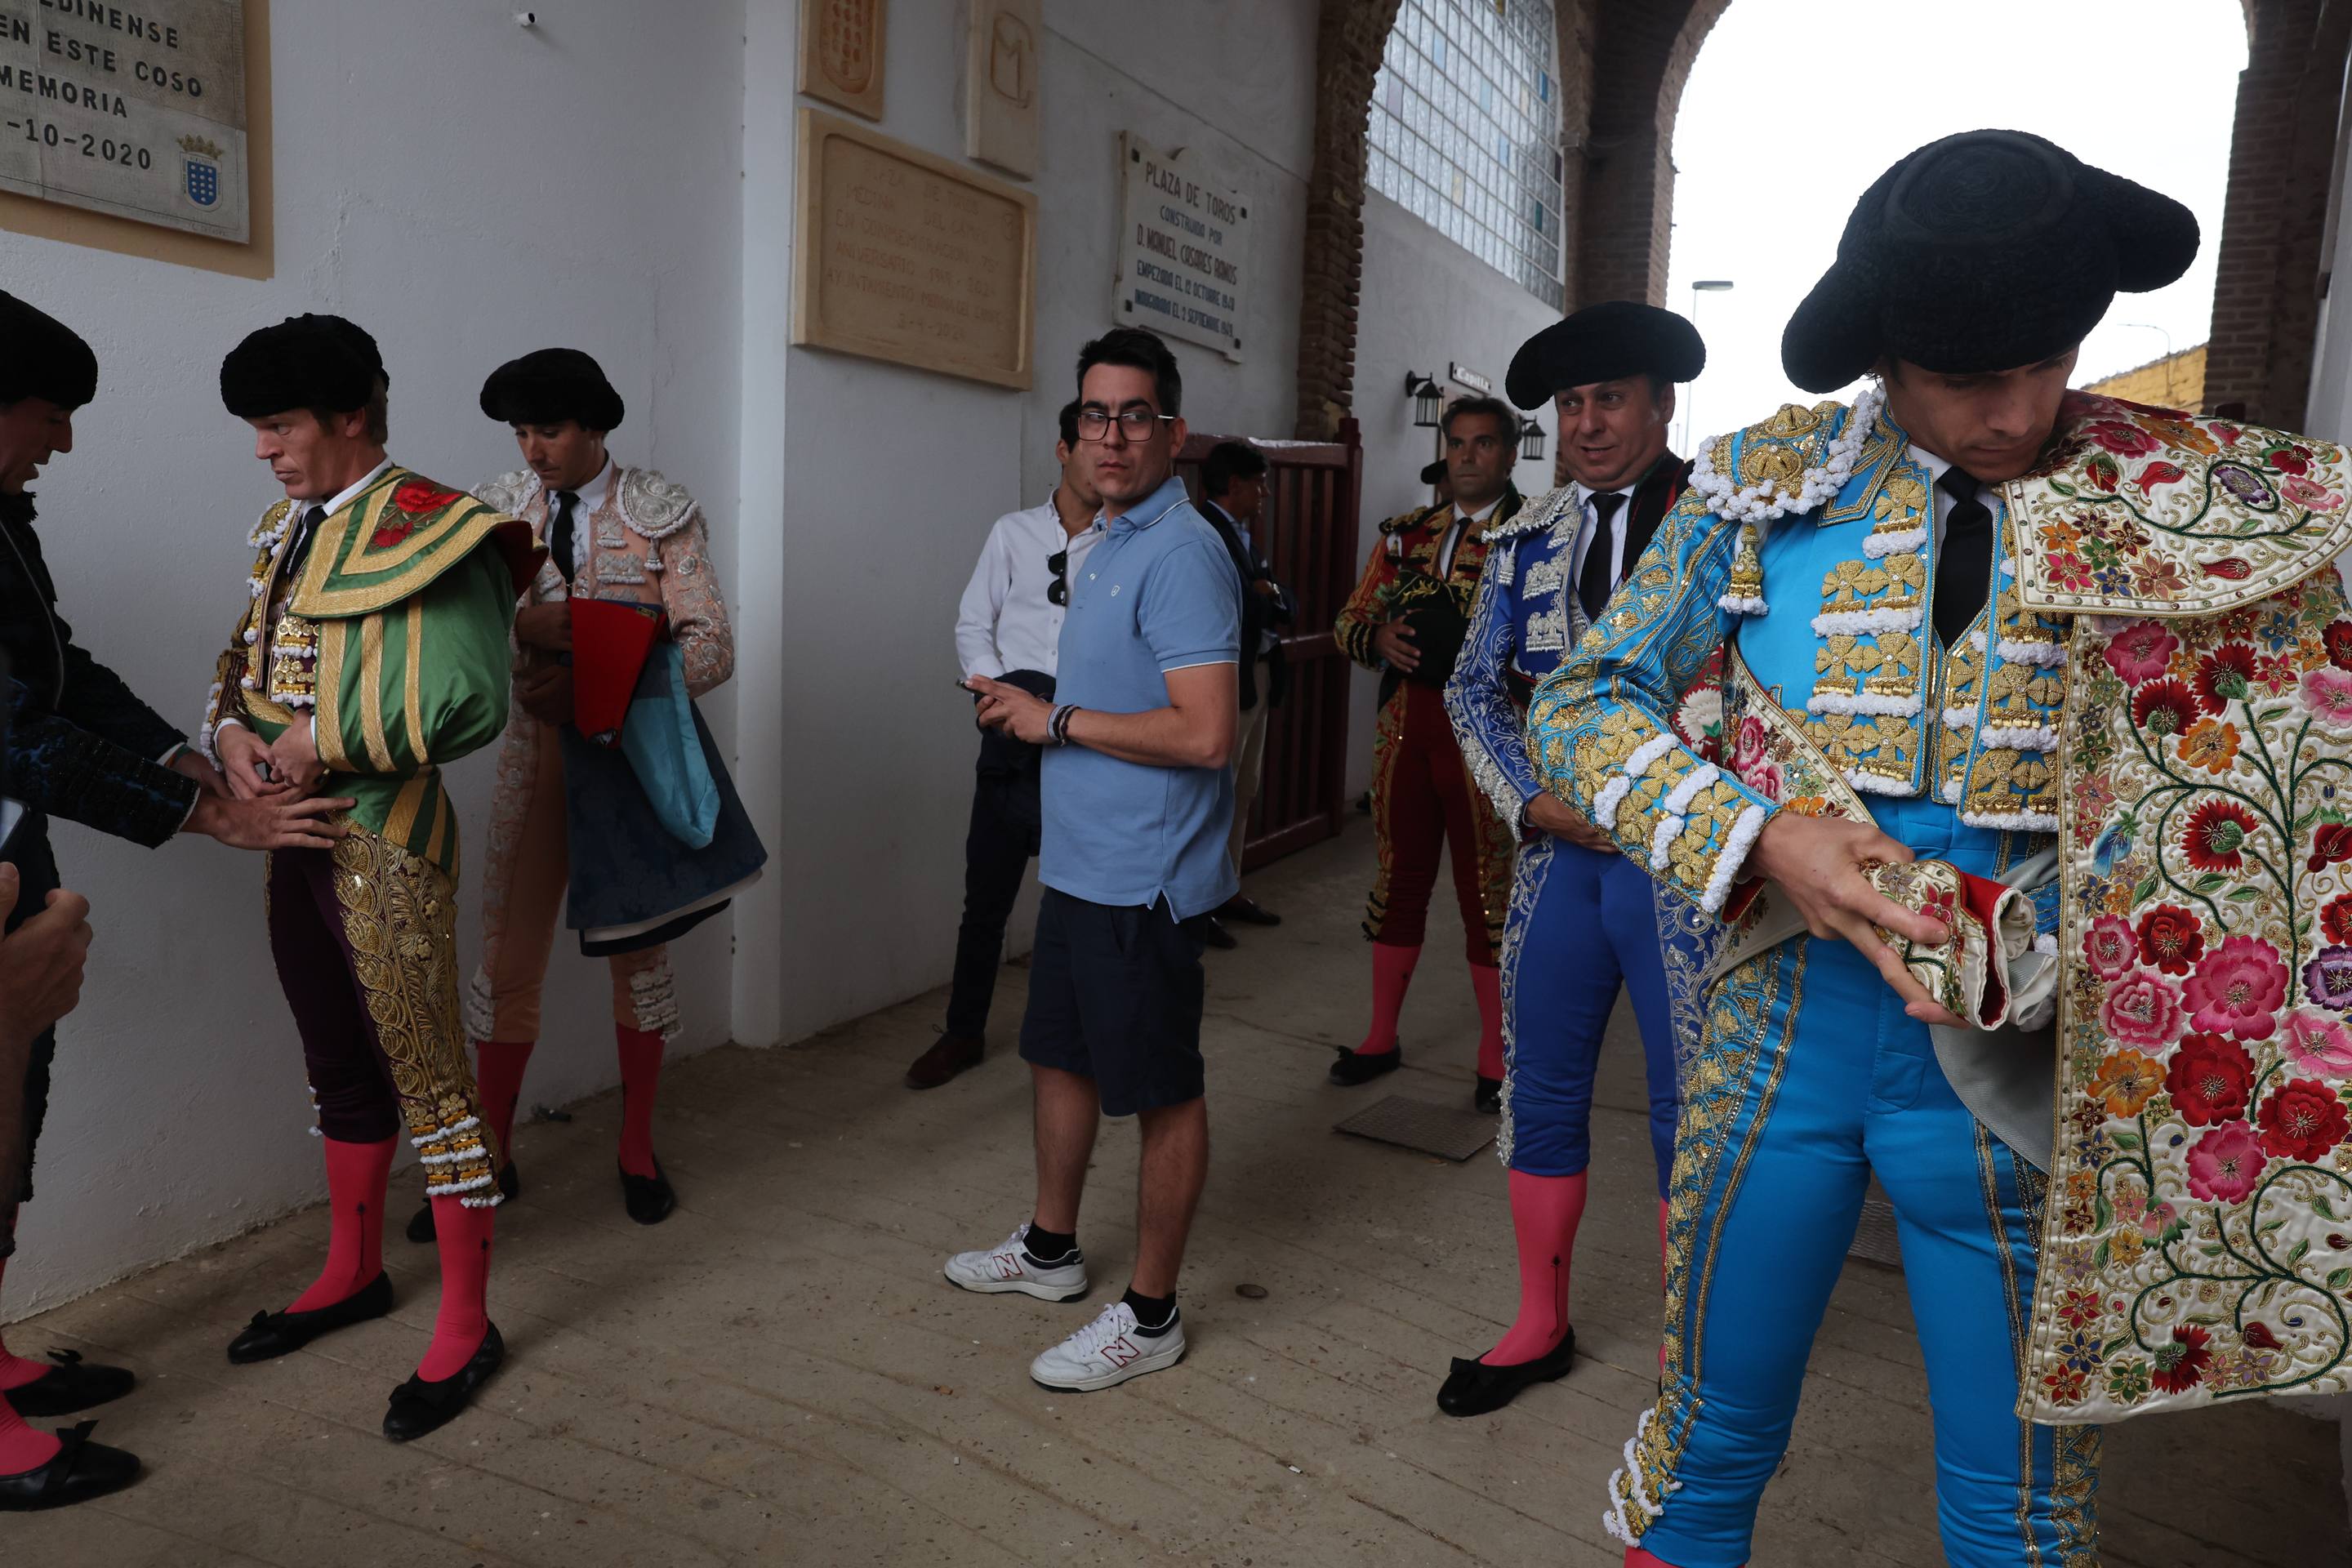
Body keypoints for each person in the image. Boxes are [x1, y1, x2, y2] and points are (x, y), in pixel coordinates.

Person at [1519, 130, 2337, 1565]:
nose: (2016, 412)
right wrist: (1765, 834)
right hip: (1781, 1033)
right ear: (1885, 358)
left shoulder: (2186, 505)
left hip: (2037, 1061)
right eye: (1966, 379)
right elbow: (1581, 705)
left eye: (2048, 363)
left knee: (2023, 1512)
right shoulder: (1763, 485)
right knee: (1704, 1448)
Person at [0, 293, 349, 1512]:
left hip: (11, 853)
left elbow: (59, 673)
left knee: (14, 1096)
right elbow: (13, 731)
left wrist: (188, 759)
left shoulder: (3, 517)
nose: (65, 441)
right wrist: (215, 818)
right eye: (50, 414)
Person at [201, 314, 539, 1442]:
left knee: (430, 1078)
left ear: (352, 415)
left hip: (387, 835)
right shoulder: (284, 529)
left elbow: (470, 697)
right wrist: (230, 736)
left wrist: (318, 739)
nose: (264, 449)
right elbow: (245, 660)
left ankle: (468, 1321)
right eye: (257, 428)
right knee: (334, 1058)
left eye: (280, 425)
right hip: (292, 835)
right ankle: (352, 1272)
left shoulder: (442, 526)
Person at [945, 327, 1239, 1392]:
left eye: (1135, 416)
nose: (1113, 436)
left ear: (1174, 431)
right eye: (1095, 416)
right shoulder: (1107, 539)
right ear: (1075, 430)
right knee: (1059, 1056)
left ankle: (1151, 1316)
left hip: (1142, 875)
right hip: (1080, 859)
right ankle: (1051, 1250)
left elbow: (1207, 734)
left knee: (1161, 1089)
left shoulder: (1183, 551)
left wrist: (1056, 722)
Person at [1437, 302, 1708, 1417]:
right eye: (1572, 404)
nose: (1588, 423)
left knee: (1693, 1106)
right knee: (1540, 1086)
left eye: (1611, 399)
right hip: (1562, 861)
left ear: (1662, 405)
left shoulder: (1728, 522)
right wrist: (1530, 800)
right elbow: (1471, 686)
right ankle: (1539, 1323)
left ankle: (1693, 1350)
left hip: (1687, 870)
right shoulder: (1527, 538)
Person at [408, 347, 737, 1232]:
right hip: (533, 758)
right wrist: (525, 630)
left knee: (642, 959)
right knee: (506, 960)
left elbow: (711, 646)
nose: (532, 451)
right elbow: (451, 629)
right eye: (521, 432)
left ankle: (636, 1148)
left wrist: (593, 666)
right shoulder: (494, 511)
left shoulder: (659, 512)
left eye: (548, 431)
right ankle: (492, 1155)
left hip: (629, 760)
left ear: (595, 427)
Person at [1330, 397, 1521, 1108]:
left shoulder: (1535, 536)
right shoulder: (1405, 536)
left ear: (1509, 454)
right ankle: (1380, 1036)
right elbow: (1349, 621)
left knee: (1488, 892)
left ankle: (1496, 1057)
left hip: (1488, 735)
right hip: (1406, 731)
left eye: (1484, 443)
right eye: (1458, 443)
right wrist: (1377, 639)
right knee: (1398, 880)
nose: (1468, 456)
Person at [908, 402, 1104, 1090]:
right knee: (985, 899)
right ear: (1062, 450)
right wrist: (992, 693)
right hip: (1007, 738)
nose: (1104, 457)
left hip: (1082, 735)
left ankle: (1073, 1037)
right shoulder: (1013, 532)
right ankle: (963, 1032)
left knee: (1079, 901)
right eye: (1088, 443)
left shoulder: (1125, 544)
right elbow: (973, 622)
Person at [1196, 439, 1294, 935]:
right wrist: (1263, 595)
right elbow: (1227, 602)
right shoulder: (1202, 531)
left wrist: (1266, 593)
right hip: (1225, 678)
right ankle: (1200, 902)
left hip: (1256, 672)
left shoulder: (1240, 533)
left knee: (1242, 788)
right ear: (1233, 485)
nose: (1266, 494)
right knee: (1215, 793)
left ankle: (1227, 888)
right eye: (1259, 484)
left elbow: (1281, 599)